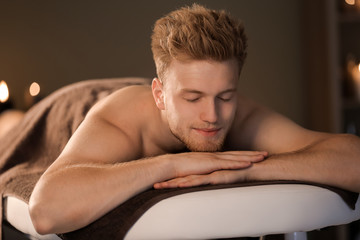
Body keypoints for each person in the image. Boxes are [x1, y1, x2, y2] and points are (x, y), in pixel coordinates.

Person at [29, 4, 360, 235]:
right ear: (159, 95)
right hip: (72, 104)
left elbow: (353, 160)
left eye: (225, 96)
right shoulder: (120, 118)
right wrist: (172, 165)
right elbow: (46, 211)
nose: (212, 116)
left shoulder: (241, 115)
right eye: (193, 98)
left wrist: (246, 170)